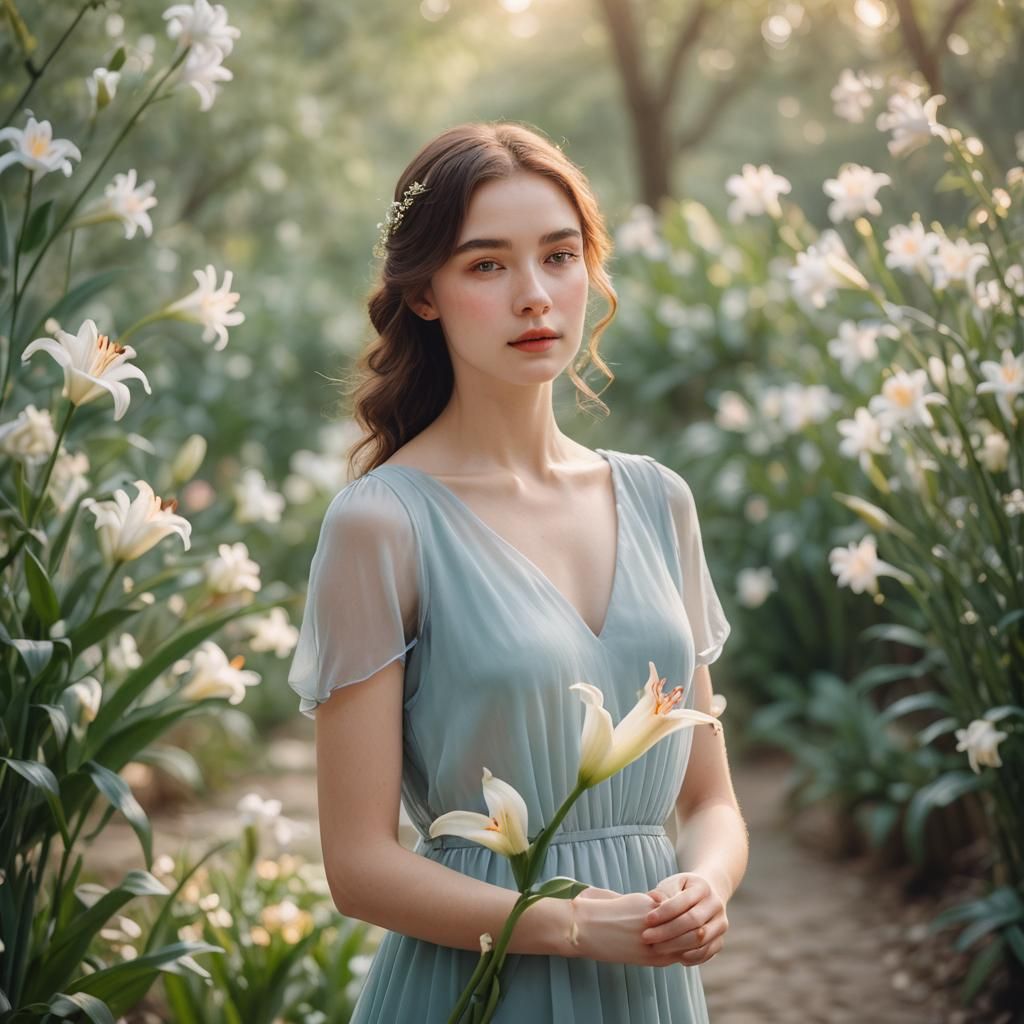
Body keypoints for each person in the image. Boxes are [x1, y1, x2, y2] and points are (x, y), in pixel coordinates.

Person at [288, 121, 749, 1023]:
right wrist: (569, 926)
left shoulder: (661, 501)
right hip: (475, 987)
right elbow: (357, 865)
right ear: (424, 294)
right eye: (487, 265)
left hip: (650, 986)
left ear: (590, 270)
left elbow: (710, 799)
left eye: (560, 256)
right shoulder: (382, 522)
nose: (536, 296)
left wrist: (704, 884)